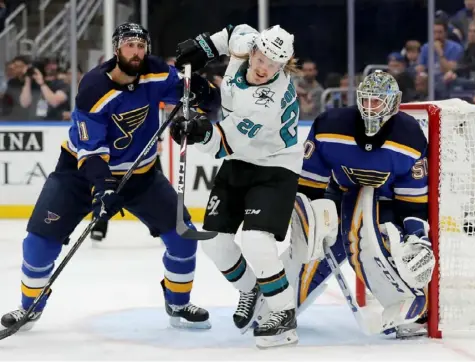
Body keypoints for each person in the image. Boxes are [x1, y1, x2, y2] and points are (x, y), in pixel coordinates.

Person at [1, 23, 219, 331]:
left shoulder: (156, 72)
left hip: (141, 175)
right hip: (79, 174)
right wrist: (102, 190)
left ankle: (178, 302)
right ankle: (29, 307)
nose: (136, 51)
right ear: (116, 49)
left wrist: (199, 86)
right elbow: (90, 151)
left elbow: (200, 99)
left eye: (141, 45)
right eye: (129, 45)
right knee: (38, 244)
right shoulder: (93, 88)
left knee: (183, 238)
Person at [170, 24, 303, 348]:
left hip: (274, 166)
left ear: (282, 67)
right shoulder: (244, 43)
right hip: (240, 161)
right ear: (253, 49)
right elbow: (233, 31)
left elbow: (222, 144)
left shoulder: (266, 103)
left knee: (257, 240)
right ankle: (250, 288)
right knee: (214, 241)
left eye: (272, 65)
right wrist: (204, 47)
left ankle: (284, 314)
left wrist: (198, 131)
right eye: (260, 58)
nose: (262, 68)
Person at [284, 70, 435, 337]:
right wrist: (312, 224)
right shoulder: (331, 125)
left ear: (392, 103)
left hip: (388, 203)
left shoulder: (409, 136)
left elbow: (411, 203)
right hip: (340, 194)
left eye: (376, 101)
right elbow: (308, 187)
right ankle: (280, 303)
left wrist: (416, 235)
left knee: (399, 248)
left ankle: (410, 301)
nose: (368, 108)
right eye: (365, 100)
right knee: (311, 249)